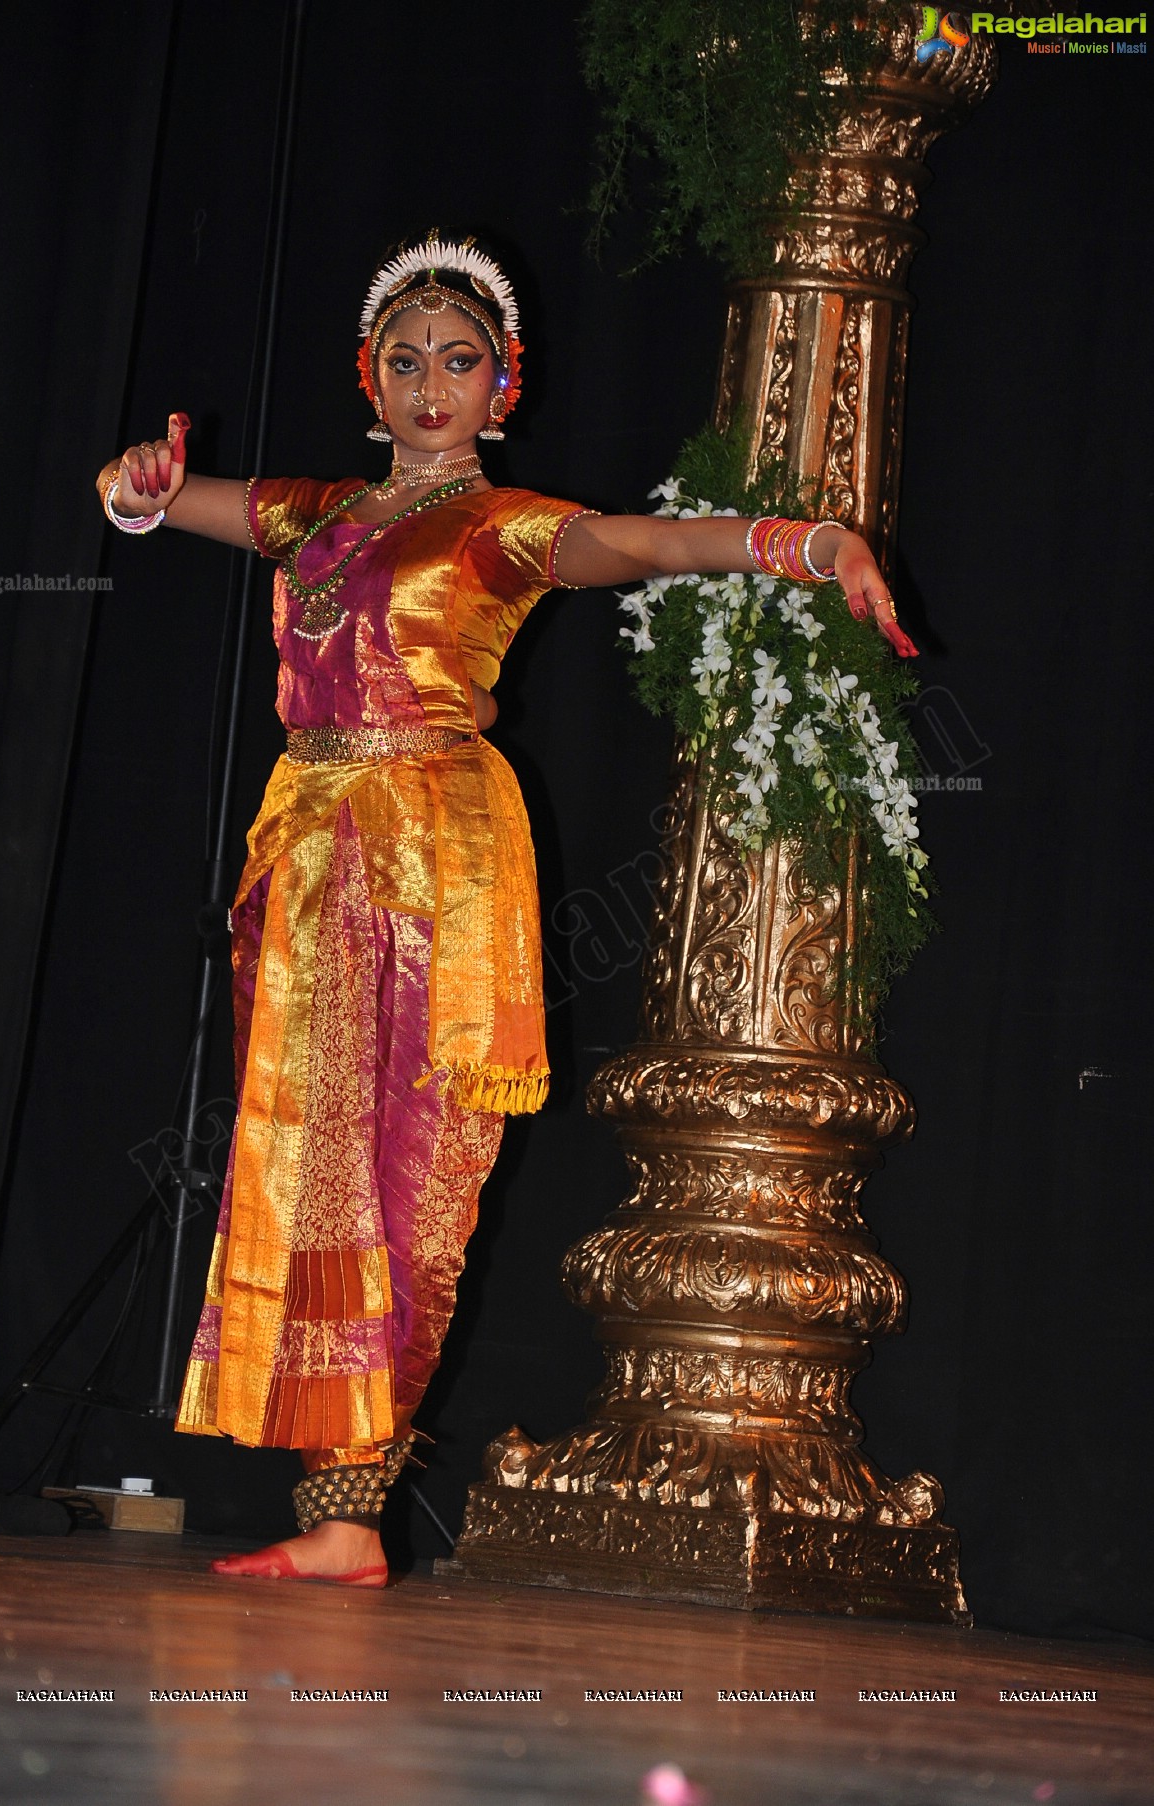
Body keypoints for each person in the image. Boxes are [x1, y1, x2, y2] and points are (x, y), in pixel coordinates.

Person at [95, 232, 913, 1588]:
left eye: (458, 361)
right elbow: (158, 500)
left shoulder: (504, 526)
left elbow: (645, 541)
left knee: (408, 1165)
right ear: (370, 381)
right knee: (306, 1169)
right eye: (404, 359)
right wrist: (131, 485)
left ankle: (352, 1510)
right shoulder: (313, 515)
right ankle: (337, 1514)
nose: (430, 383)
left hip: (432, 859)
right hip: (307, 858)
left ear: (501, 387)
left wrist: (805, 541)